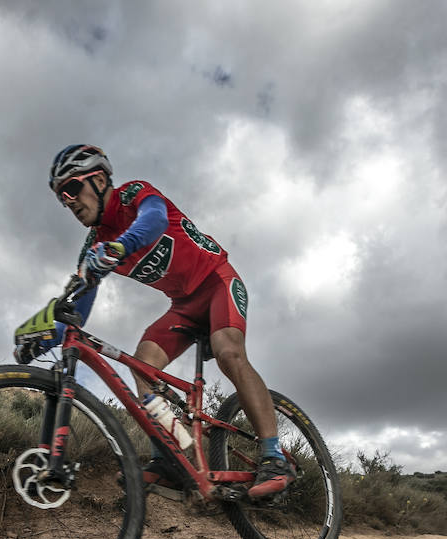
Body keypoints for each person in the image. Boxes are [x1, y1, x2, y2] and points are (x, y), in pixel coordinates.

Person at [17, 144, 290, 499]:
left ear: (99, 180)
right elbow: (78, 312)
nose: (68, 202)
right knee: (142, 363)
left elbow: (154, 221)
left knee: (228, 352)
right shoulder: (94, 244)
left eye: (71, 189)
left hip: (217, 282)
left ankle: (273, 456)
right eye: (60, 198)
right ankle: (169, 459)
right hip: (183, 306)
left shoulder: (133, 194)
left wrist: (118, 248)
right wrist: (44, 336)